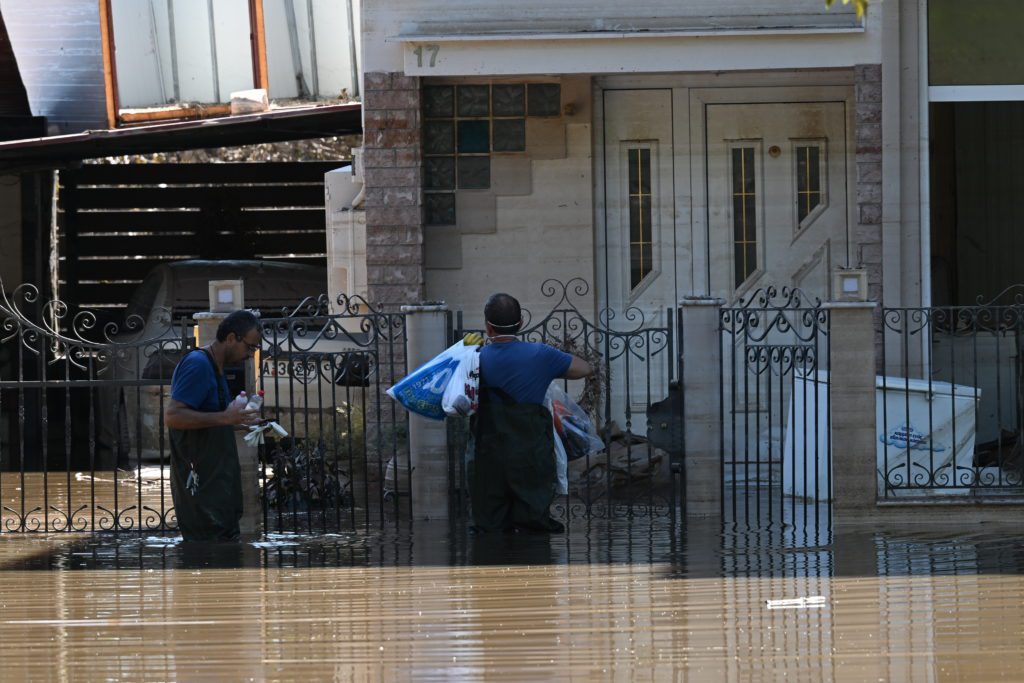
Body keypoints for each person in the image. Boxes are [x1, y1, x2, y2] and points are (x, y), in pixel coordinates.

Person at [470, 293, 593, 533]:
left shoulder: (474, 358)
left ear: (488, 327)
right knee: (533, 529)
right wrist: (549, 370)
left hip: (488, 456)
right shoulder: (540, 355)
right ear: (520, 323)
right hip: (530, 457)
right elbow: (584, 368)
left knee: (489, 529)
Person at [164, 310, 262, 541]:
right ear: (230, 338)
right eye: (249, 347)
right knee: (208, 555)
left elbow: (212, 418)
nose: (250, 356)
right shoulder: (197, 365)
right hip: (201, 490)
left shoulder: (216, 368)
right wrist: (226, 418)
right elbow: (173, 416)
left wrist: (242, 422)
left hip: (218, 490)